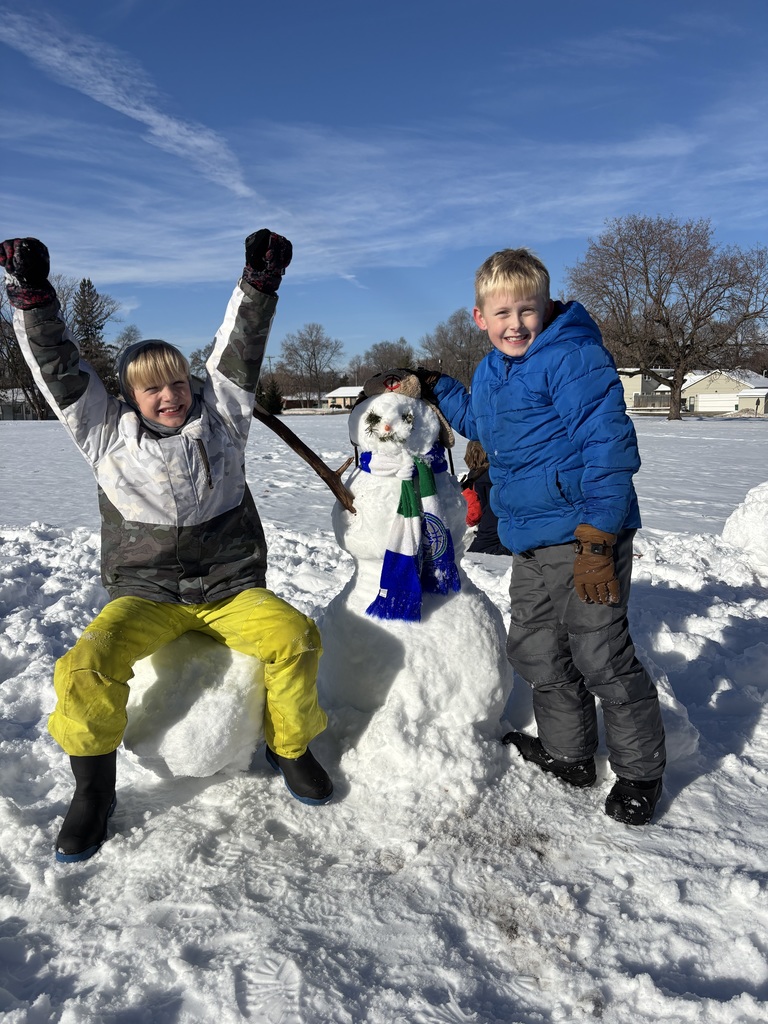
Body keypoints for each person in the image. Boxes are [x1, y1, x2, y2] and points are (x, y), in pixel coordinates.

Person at [1, 230, 333, 864]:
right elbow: (57, 368)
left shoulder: (225, 419)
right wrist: (34, 297)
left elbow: (242, 345)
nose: (170, 395)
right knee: (83, 666)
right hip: (146, 594)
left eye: (177, 382)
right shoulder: (103, 433)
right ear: (130, 395)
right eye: (152, 388)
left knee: (295, 637)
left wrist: (258, 284)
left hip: (231, 589)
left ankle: (290, 747)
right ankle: (94, 789)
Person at [415, 247, 666, 826]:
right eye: (501, 315)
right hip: (529, 537)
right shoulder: (494, 368)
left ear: (547, 306)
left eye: (526, 311)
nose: (515, 324)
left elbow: (608, 446)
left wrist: (600, 538)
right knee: (536, 648)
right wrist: (437, 386)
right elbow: (482, 419)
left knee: (601, 653)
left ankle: (640, 770)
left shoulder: (571, 357)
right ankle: (569, 754)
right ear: (479, 318)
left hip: (585, 534)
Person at [459, 441, 511, 556]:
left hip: (490, 527)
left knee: (473, 555)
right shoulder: (499, 474)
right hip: (505, 521)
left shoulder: (474, 480)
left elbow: (474, 514)